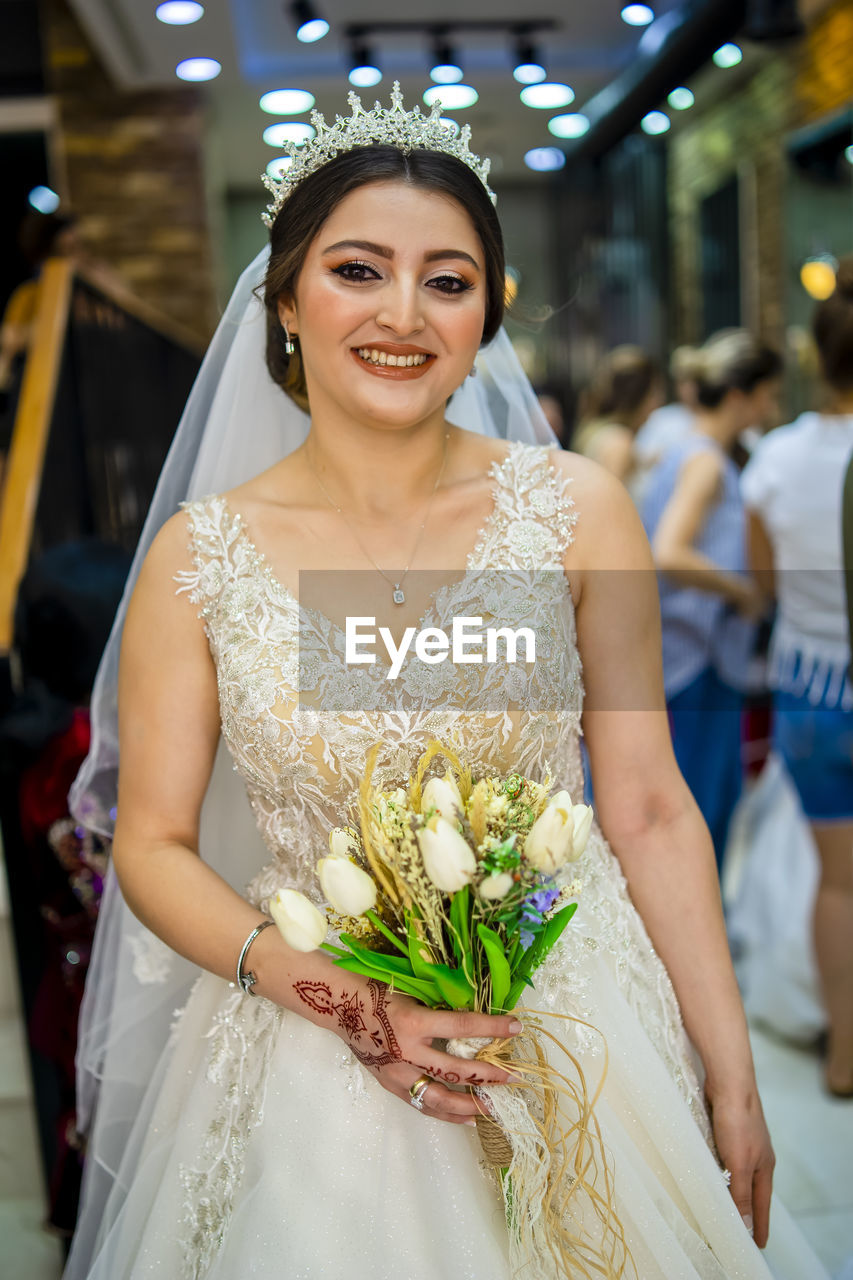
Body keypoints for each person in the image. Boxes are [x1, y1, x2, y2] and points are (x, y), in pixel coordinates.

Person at [64, 88, 826, 1279]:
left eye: (449, 280)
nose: (402, 315)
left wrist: (729, 1071)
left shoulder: (575, 513)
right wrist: (345, 1000)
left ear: (486, 315)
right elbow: (153, 842)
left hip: (576, 1026)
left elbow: (647, 803)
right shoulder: (198, 560)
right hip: (307, 1051)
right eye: (358, 270)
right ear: (284, 299)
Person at [741, 258, 853, 1098]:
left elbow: (764, 587)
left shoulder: (775, 459)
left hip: (812, 691)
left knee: (838, 885)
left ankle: (844, 1055)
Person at [640, 331, 782, 868]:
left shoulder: (683, 450)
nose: (771, 407)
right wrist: (742, 590)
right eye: (768, 395)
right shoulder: (703, 461)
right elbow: (669, 551)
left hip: (692, 654)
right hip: (698, 657)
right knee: (704, 807)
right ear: (742, 395)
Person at [572, 345, 662, 489]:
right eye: (653, 393)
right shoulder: (619, 442)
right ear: (638, 396)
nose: (658, 402)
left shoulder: (596, 428)